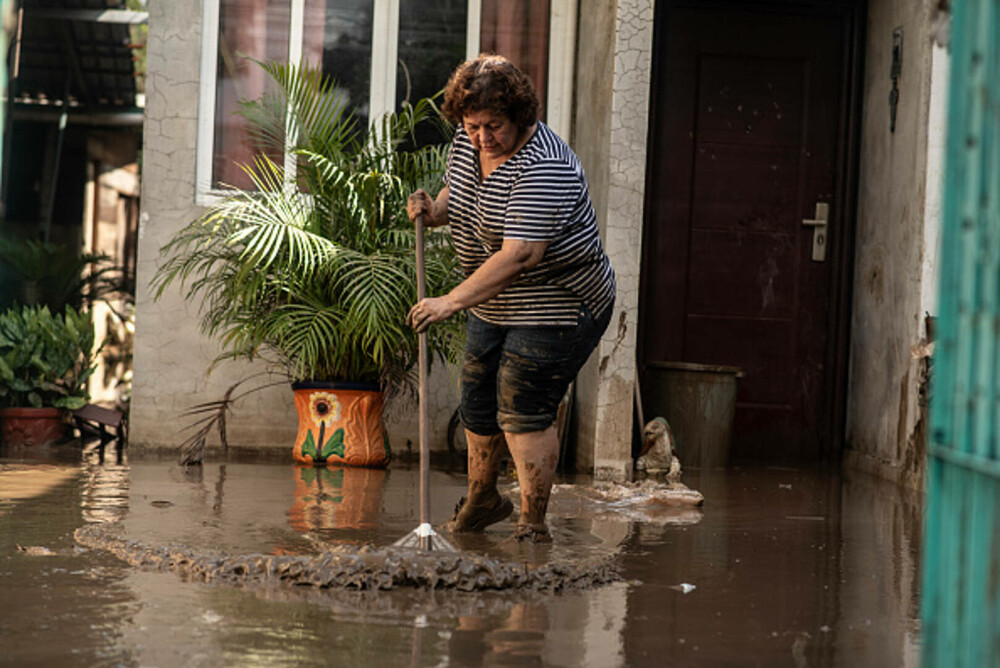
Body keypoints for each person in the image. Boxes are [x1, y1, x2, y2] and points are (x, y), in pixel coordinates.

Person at [406, 54, 615, 543]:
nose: (481, 137)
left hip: (560, 302)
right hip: (495, 299)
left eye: (493, 126)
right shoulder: (467, 139)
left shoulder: (545, 165)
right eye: (472, 125)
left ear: (522, 116)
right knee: (477, 402)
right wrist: (435, 210)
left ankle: (532, 523)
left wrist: (449, 302)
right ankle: (483, 499)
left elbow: (520, 254)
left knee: (522, 406)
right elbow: (465, 190)